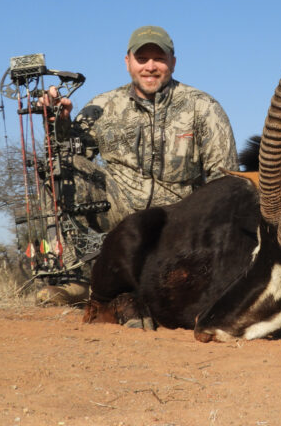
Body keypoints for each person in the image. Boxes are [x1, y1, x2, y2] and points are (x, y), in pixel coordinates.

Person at [37, 25, 239, 304]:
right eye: (142, 59)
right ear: (128, 62)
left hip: (179, 221)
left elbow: (225, 181)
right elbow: (69, 155)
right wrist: (58, 121)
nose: (150, 67)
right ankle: (75, 280)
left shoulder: (203, 107)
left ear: (173, 62)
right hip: (119, 214)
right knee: (58, 169)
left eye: (159, 58)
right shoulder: (102, 106)